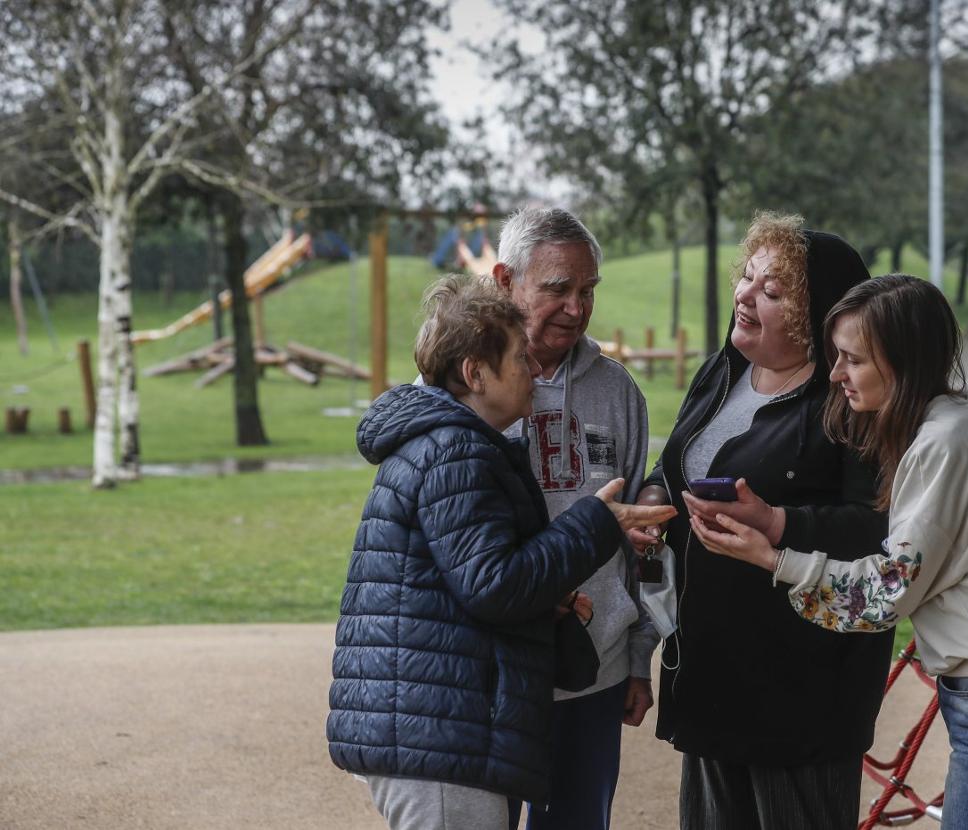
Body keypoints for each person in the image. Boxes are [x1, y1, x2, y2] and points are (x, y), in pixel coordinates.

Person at [691, 274, 968, 829]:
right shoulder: (959, 425)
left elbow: (884, 595)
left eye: (852, 359)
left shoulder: (943, 443)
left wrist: (769, 557)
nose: (836, 374)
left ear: (902, 362)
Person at [326, 275, 676, 830]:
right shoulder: (456, 452)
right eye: (519, 358)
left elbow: (461, 579)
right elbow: (494, 586)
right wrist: (595, 523)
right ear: (474, 374)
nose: (536, 371)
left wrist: (549, 598)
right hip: (439, 733)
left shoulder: (454, 444)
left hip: (436, 724)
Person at [628, 213, 894, 830]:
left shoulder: (851, 401)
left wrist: (777, 523)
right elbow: (678, 466)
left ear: (820, 318)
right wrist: (650, 500)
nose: (744, 296)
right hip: (712, 675)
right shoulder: (723, 373)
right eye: (747, 279)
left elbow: (877, 529)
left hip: (800, 694)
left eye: (773, 293)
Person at [488, 206, 657, 830]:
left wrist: (639, 655)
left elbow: (646, 543)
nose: (576, 307)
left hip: (595, 671)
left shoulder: (619, 393)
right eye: (557, 288)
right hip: (493, 672)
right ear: (506, 281)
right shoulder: (457, 385)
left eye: (587, 291)